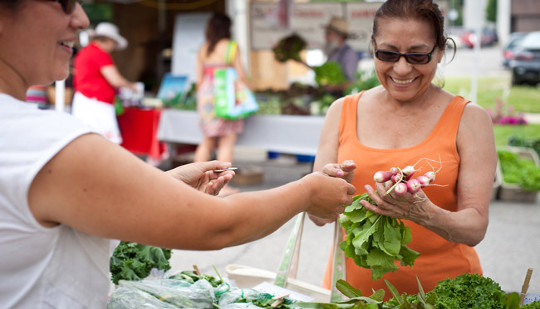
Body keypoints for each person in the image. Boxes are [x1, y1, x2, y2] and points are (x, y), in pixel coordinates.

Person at [0, 2, 357, 307]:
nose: (81, 18)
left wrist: (162, 187)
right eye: (63, 2)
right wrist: (308, 192)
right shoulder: (42, 140)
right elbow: (219, 225)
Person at [311, 0, 497, 299]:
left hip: (445, 297)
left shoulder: (470, 119)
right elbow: (319, 217)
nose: (401, 68)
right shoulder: (342, 111)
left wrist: (423, 213)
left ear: (439, 51)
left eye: (418, 56)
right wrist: (328, 192)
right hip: (353, 296)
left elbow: (474, 228)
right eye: (387, 53)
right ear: (372, 47)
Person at [193, 13, 250, 196]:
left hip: (207, 98)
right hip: (226, 98)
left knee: (206, 142)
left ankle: (194, 184)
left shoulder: (203, 49)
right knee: (226, 143)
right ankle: (222, 187)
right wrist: (248, 93)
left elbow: (198, 80)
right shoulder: (231, 47)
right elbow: (241, 75)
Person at [71, 22, 138, 144]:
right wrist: (131, 86)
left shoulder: (85, 52)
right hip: (97, 103)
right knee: (107, 143)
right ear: (108, 40)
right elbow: (115, 80)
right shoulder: (100, 53)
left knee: (88, 140)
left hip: (84, 100)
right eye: (114, 43)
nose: (113, 47)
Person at [322, 16, 360, 96]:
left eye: (329, 33)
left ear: (340, 36)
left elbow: (352, 82)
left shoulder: (349, 54)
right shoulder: (333, 52)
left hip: (342, 98)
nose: (326, 37)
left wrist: (334, 87)